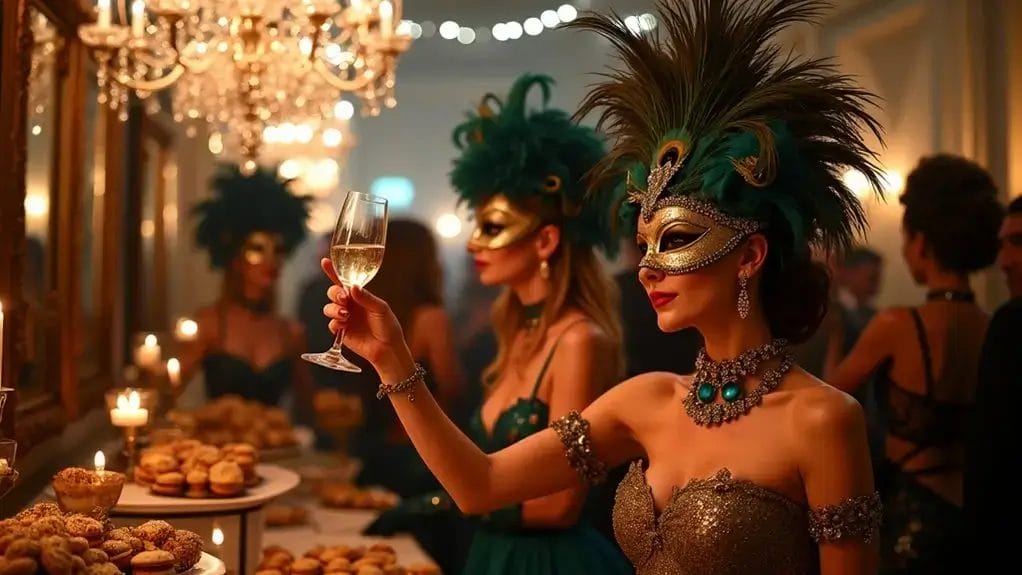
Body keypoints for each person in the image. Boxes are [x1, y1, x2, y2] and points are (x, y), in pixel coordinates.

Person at [320, 2, 885, 573]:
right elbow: (480, 484)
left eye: (676, 239)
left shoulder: (822, 420)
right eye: (642, 245)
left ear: (750, 255)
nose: (648, 267)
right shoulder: (645, 401)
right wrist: (392, 360)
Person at [355, 73, 630, 575]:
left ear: (545, 242)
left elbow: (558, 505)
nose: (473, 244)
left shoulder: (579, 341)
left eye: (494, 226)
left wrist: (446, 502)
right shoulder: (519, 334)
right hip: (493, 552)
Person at [830, 155, 1004, 573]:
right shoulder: (993, 327)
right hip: (979, 516)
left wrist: (833, 336)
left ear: (921, 243)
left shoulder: (896, 325)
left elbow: (828, 398)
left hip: (912, 520)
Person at [177, 164, 313, 409]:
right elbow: (171, 388)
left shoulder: (291, 333)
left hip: (278, 445)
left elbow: (310, 406)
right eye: (257, 249)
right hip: (218, 445)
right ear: (235, 257)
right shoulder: (210, 323)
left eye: (279, 250)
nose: (271, 261)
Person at [964, 195, 1022, 553]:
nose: (1004, 262)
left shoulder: (1012, 324)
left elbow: (992, 463)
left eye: (1019, 243)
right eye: (1003, 245)